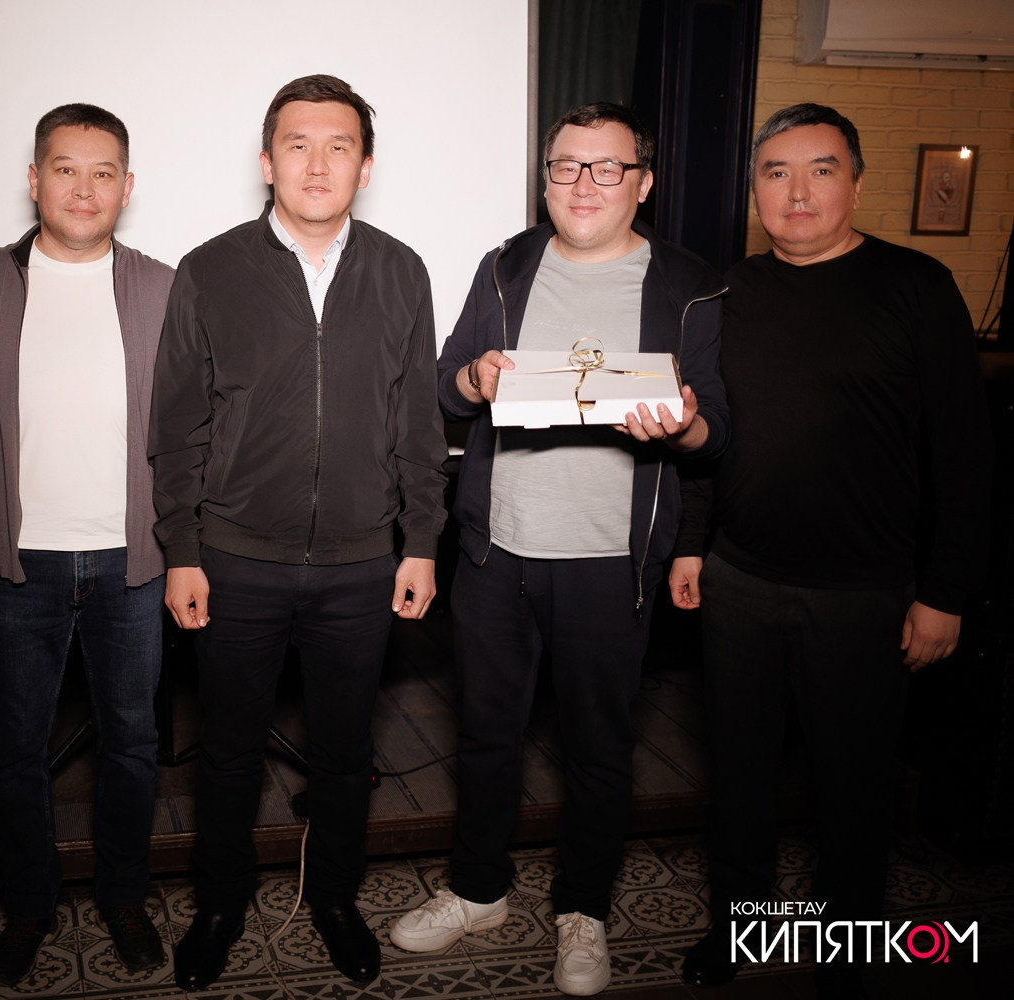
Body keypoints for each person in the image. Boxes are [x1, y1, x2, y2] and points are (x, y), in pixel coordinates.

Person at [391, 102, 729, 997]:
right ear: (545, 178)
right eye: (566, 166)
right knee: (485, 735)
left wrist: (685, 426)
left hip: (612, 562)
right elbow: (445, 388)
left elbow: (717, 434)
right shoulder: (505, 267)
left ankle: (584, 908)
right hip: (497, 551)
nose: (584, 184)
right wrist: (474, 377)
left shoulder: (690, 287)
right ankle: (477, 890)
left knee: (598, 747)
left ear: (642, 183)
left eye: (606, 167)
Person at [669, 103, 991, 996]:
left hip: (865, 594)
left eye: (820, 170)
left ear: (855, 182)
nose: (798, 192)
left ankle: (848, 944)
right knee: (738, 781)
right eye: (776, 173)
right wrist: (692, 548)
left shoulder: (916, 286)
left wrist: (947, 592)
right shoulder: (731, 293)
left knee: (854, 791)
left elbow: (965, 453)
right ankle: (739, 931)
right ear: (755, 191)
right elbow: (710, 433)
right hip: (740, 584)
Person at [149, 74, 447, 990]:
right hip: (235, 560)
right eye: (298, 144)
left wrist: (422, 541)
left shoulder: (401, 270)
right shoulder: (210, 268)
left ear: (366, 165)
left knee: (347, 756)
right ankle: (220, 905)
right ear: (267, 159)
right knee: (228, 753)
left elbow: (418, 422)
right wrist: (182, 551)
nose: (318, 164)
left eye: (339, 146)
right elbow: (179, 425)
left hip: (363, 566)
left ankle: (335, 900)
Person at [0, 103, 174, 986]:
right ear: (35, 180)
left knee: (132, 746)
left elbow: (202, 423)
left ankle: (124, 897)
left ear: (127, 187)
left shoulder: (165, 287)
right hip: (19, 567)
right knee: (15, 750)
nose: (84, 188)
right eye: (65, 169)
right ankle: (30, 905)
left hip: (133, 565)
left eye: (102, 172)